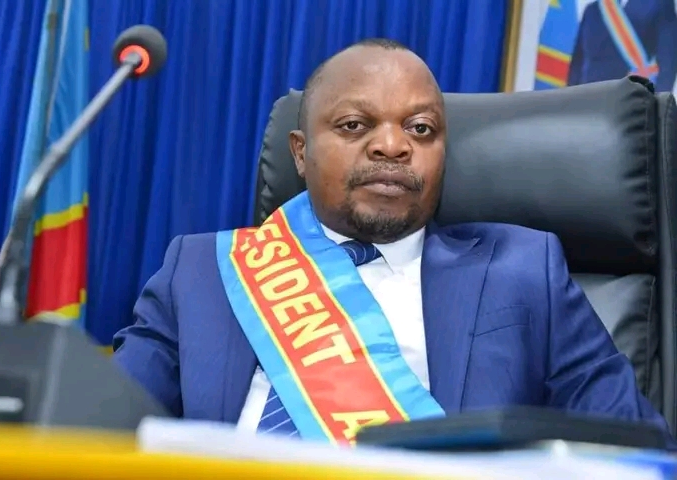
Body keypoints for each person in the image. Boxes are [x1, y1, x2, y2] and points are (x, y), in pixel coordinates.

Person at [113, 38, 674, 445]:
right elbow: (99, 430)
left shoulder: (525, 271)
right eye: (355, 125)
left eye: (420, 129)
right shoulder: (202, 271)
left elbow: (634, 449)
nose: (392, 146)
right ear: (301, 153)